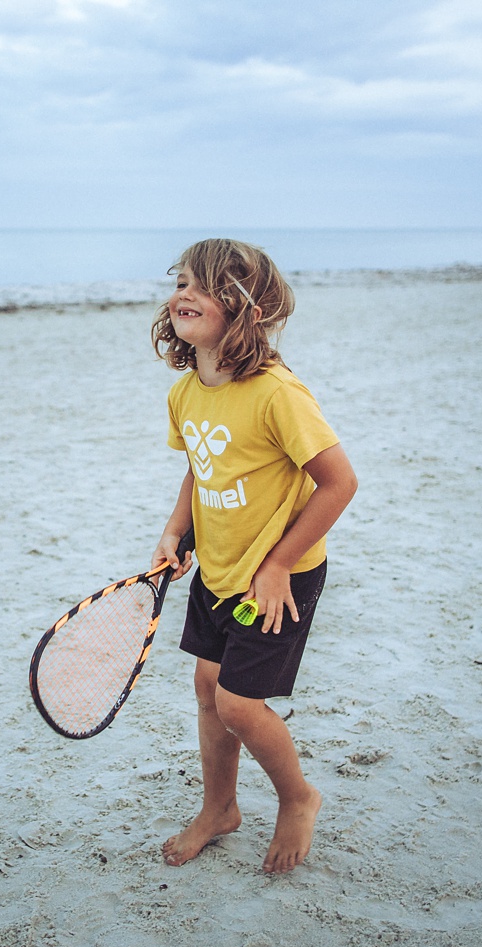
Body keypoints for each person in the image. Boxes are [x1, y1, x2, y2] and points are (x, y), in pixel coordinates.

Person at [150, 238, 357, 874]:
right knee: (207, 687)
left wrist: (274, 567)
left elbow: (339, 483)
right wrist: (173, 532)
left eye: (202, 285)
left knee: (240, 703)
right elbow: (201, 468)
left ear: (246, 308)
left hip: (280, 575)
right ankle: (220, 809)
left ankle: (298, 797)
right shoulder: (187, 393)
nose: (184, 293)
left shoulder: (277, 393)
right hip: (217, 566)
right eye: (181, 281)